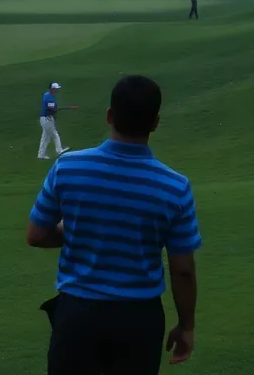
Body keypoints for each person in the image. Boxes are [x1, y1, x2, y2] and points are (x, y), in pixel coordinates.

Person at [28, 75, 200, 372]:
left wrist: (77, 228)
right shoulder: (175, 187)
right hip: (138, 321)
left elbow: (36, 235)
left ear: (109, 115)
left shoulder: (67, 167)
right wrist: (186, 326)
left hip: (78, 315)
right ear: (155, 122)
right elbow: (183, 270)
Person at [38, 83, 76, 160]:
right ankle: (59, 150)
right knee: (55, 135)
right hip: (47, 119)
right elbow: (53, 109)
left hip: (45, 119)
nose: (57, 90)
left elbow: (52, 109)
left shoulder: (47, 95)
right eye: (56, 89)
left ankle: (41, 155)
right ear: (52, 89)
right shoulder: (49, 98)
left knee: (45, 138)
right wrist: (69, 107)